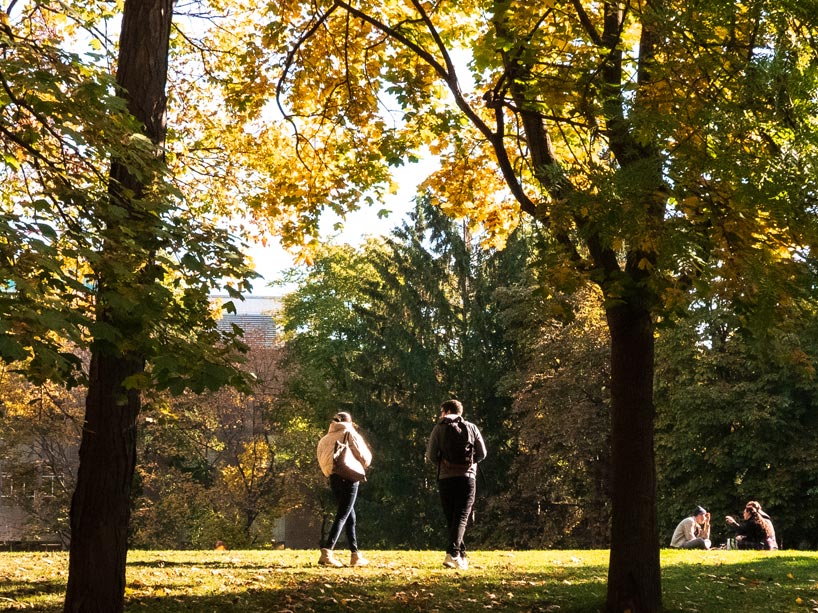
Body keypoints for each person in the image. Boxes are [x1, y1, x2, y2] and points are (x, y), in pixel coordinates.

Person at [426, 399, 487, 570]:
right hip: (467, 478)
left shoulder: (438, 428)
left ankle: (460, 554)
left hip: (445, 478)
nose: (440, 415)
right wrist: (470, 464)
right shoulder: (471, 427)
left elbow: (431, 455)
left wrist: (444, 464)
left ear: (446, 411)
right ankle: (453, 553)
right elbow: (483, 453)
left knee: (452, 517)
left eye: (441, 411)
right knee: (461, 517)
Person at [316, 412, 373, 567]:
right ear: (349, 422)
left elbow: (321, 459)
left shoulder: (324, 439)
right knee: (343, 515)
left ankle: (355, 554)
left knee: (349, 515)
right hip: (349, 476)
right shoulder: (349, 433)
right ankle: (327, 551)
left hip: (333, 477)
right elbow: (364, 456)